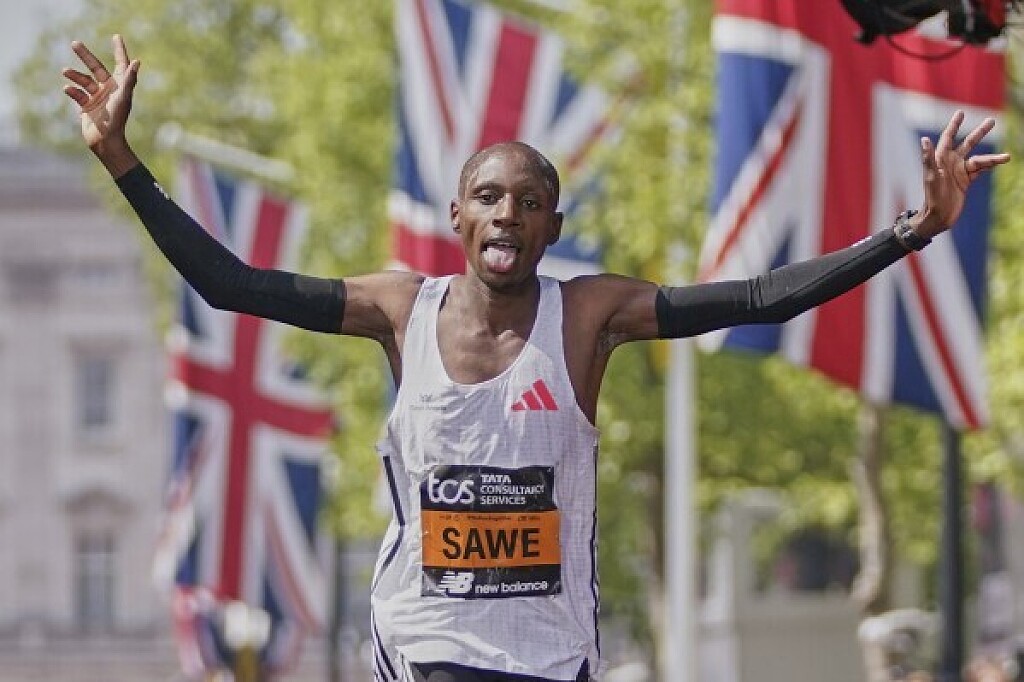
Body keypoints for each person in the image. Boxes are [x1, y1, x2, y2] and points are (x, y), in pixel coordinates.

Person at [63, 35, 1009, 682]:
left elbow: (762, 296)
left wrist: (912, 229)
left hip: (550, 654)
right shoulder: (399, 310)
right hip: (425, 641)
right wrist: (121, 162)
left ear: (554, 226)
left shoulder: (589, 316)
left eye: (527, 202)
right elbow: (231, 284)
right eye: (488, 197)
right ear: (457, 217)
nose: (506, 214)